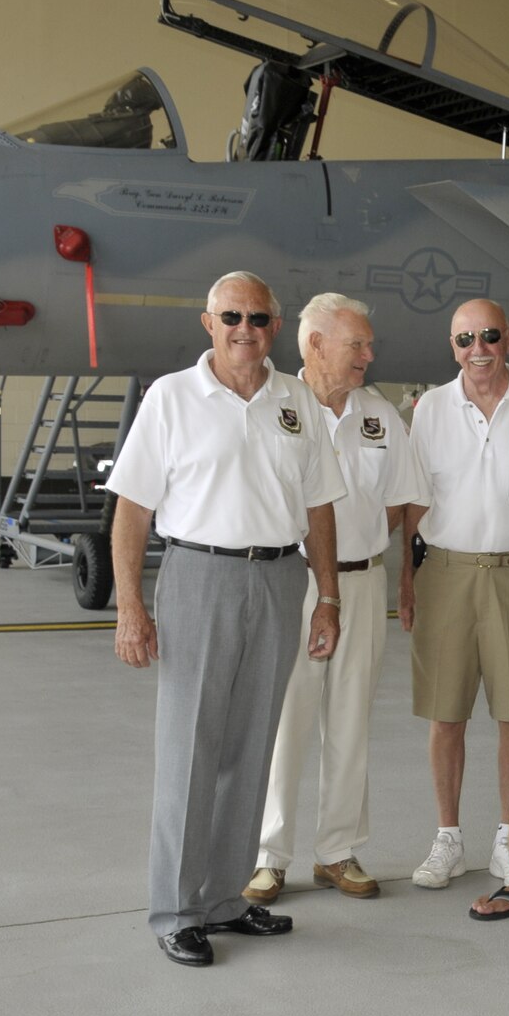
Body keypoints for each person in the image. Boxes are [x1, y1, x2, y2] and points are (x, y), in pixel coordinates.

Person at [107, 271, 345, 967]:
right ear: (208, 322)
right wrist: (129, 606)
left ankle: (225, 900)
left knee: (250, 746)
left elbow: (320, 505)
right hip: (199, 575)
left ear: (276, 326)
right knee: (191, 749)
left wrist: (326, 595)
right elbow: (132, 509)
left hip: (277, 578)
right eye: (233, 317)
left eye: (260, 319)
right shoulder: (172, 398)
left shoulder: (294, 398)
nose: (247, 330)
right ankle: (177, 910)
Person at [246, 296, 421, 907]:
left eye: (369, 345)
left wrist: (369, 558)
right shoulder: (275, 409)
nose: (369, 356)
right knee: (286, 720)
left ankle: (337, 852)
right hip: (291, 582)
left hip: (363, 582)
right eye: (357, 345)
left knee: (350, 720)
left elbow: (404, 499)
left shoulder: (380, 417)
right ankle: (268, 857)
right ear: (315, 344)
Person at [400, 300, 509, 915]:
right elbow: (416, 498)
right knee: (446, 715)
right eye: (465, 339)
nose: (478, 348)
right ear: (452, 346)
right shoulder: (432, 407)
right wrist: (407, 583)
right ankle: (447, 837)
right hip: (445, 571)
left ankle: (506, 834)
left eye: (489, 335)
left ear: (508, 338)